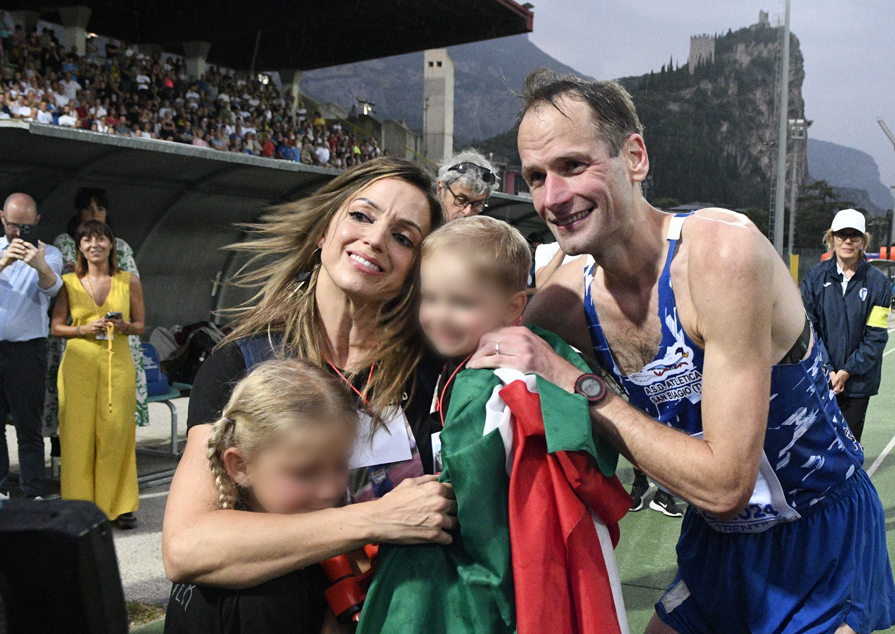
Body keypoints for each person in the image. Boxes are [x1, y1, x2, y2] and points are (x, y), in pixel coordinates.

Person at [469, 70, 895, 634]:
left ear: (635, 157)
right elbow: (478, 368)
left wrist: (580, 385)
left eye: (573, 166)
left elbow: (725, 486)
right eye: (535, 176)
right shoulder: (561, 300)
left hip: (818, 532)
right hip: (716, 542)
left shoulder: (721, 253)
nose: (552, 197)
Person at [162, 157, 456, 590]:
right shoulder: (244, 361)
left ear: (416, 267)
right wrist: (374, 519)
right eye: (360, 216)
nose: (375, 240)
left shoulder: (436, 369)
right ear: (323, 231)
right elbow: (185, 546)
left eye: (402, 238)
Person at [358, 216, 629, 634]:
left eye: (462, 303)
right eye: (430, 298)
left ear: (513, 308)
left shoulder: (487, 384)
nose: (439, 315)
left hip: (486, 579)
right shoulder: (530, 358)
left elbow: (471, 507)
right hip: (535, 561)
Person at [164, 359, 358, 634]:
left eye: (340, 464)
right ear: (240, 466)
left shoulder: (265, 551)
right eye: (305, 472)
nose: (329, 490)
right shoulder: (260, 592)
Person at [50, 219, 144, 528]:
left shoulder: (128, 280)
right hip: (79, 365)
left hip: (117, 365)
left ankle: (120, 506)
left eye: (101, 238)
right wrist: (83, 329)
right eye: (87, 240)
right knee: (77, 438)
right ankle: (79, 509)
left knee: (116, 433)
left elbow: (141, 325)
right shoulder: (68, 282)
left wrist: (124, 327)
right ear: (79, 247)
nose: (95, 245)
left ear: (111, 244)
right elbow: (56, 327)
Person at [45, 187, 149, 444]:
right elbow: (66, 286)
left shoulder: (122, 247)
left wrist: (123, 323)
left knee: (114, 416)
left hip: (119, 339)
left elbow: (134, 299)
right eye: (88, 208)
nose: (94, 213)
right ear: (78, 212)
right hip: (77, 341)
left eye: (100, 208)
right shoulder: (65, 243)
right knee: (76, 415)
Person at [800, 209, 892, 441]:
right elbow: (809, 329)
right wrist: (828, 369)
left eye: (854, 235)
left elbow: (876, 336)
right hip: (820, 379)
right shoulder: (814, 278)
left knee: (848, 446)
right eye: (842, 234)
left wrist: (847, 371)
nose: (848, 241)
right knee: (817, 446)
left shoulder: (879, 284)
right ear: (831, 238)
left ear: (864, 240)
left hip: (858, 383)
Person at [0, 193, 63, 500]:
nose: (19, 234)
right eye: (14, 226)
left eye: (25, 227)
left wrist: (39, 266)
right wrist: (5, 260)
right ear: (2, 219)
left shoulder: (48, 252)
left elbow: (55, 289)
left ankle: (32, 493)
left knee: (28, 427)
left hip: (27, 349)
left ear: (37, 222)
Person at [435, 149, 499, 221]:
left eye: (477, 204)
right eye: (461, 200)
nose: (468, 212)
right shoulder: (421, 226)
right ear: (440, 189)